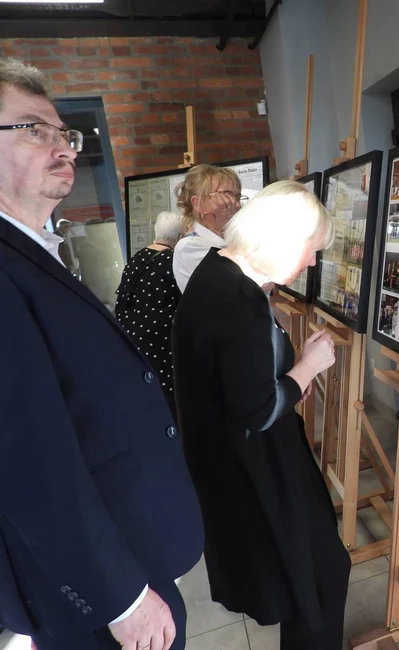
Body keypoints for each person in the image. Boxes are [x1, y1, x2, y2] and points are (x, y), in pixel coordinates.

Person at [0, 57, 203, 650]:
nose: (63, 146)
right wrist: (122, 600)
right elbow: (27, 464)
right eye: (34, 129)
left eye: (64, 133)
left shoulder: (36, 250)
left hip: (128, 550)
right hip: (100, 596)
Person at [172, 181, 350, 649]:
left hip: (242, 460)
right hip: (256, 468)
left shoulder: (219, 271)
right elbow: (256, 410)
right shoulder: (237, 299)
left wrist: (287, 379)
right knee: (321, 577)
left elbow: (242, 382)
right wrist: (308, 366)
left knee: (315, 575)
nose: (312, 262)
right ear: (282, 241)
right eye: (311, 249)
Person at [115, 211, 186, 418]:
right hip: (161, 341)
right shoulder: (172, 260)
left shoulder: (136, 258)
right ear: (180, 236)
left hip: (133, 339)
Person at [173, 164, 244, 292]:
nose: (237, 205)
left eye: (237, 197)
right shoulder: (190, 247)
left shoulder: (232, 239)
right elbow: (237, 287)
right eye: (226, 196)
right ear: (199, 204)